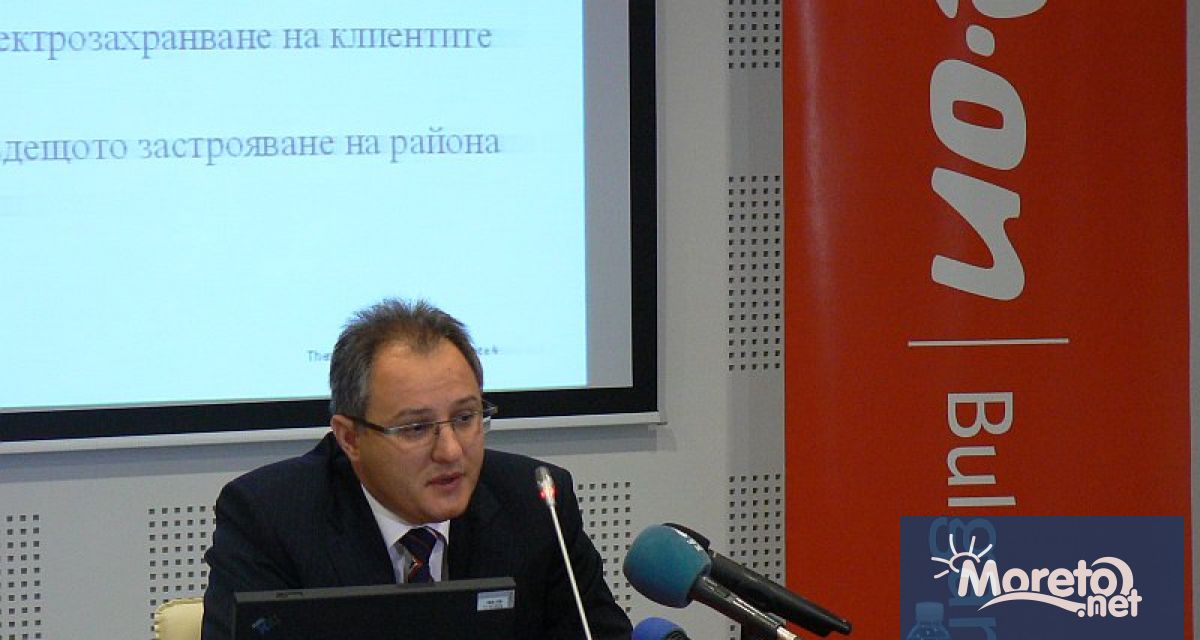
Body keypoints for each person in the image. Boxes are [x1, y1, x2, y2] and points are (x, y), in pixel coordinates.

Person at [201, 299, 632, 639]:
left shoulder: (537, 503)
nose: (450, 451)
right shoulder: (270, 518)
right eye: (415, 428)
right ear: (350, 438)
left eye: (465, 418)